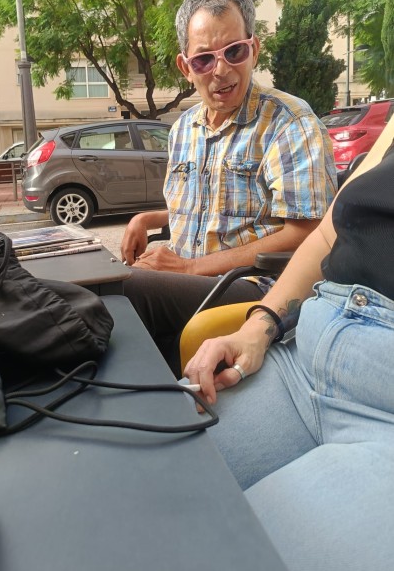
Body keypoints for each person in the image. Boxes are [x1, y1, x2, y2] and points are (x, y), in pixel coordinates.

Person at [183, 114, 394, 571]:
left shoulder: (286, 121)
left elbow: (300, 225)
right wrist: (257, 329)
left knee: (224, 554)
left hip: (384, 400)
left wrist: (186, 269)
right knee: (131, 488)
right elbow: (328, 233)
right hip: (302, 356)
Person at [121, 0, 337, 375]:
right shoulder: (183, 129)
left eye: (234, 51)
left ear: (254, 50)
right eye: (204, 59)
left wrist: (188, 269)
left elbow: (309, 233)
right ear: (185, 67)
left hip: (254, 287)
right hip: (189, 281)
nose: (220, 70)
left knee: (124, 289)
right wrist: (146, 219)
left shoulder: (290, 123)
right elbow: (209, 206)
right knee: (97, 280)